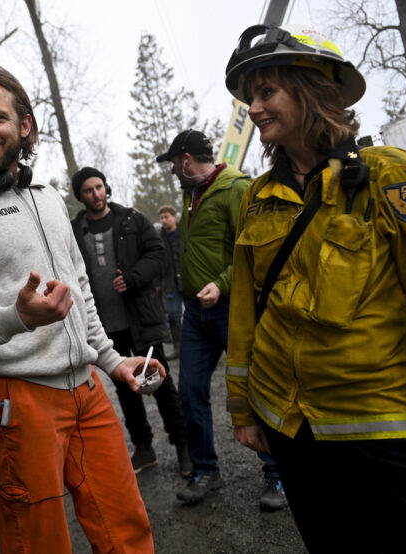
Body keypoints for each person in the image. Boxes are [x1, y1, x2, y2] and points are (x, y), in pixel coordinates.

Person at [223, 23, 406, 552]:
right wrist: (245, 410)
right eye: (251, 96)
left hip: (376, 424)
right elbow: (247, 314)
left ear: (313, 90)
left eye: (266, 92)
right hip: (289, 426)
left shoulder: (390, 176)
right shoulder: (259, 197)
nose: (253, 108)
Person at [0, 65, 160, 553]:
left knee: (126, 527)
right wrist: (13, 317)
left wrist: (109, 360)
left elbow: (77, 286)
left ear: (24, 125)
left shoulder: (47, 197)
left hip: (86, 390)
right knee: (39, 543)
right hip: (14, 399)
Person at [155, 129, 284, 509]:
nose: (173, 172)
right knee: (190, 393)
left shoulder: (235, 189)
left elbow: (252, 249)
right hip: (195, 314)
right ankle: (205, 469)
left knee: (256, 390)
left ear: (185, 160)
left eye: (174, 164)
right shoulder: (190, 193)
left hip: (232, 309)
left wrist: (222, 283)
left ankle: (277, 475)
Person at [70, 168, 192, 476]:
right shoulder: (74, 231)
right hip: (105, 326)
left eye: (99, 187)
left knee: (160, 383)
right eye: (88, 190)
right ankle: (144, 447)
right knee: (125, 388)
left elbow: (157, 252)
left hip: (140, 318)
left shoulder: (131, 220)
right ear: (81, 196)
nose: (96, 194)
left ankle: (183, 446)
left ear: (106, 188)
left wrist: (135, 277)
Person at [157, 205, 182, 356]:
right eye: (161, 218)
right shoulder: (159, 238)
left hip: (187, 280)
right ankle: (178, 348)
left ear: (174, 217)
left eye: (166, 217)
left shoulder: (184, 233)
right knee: (173, 317)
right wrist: (157, 282)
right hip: (169, 283)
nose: (164, 220)